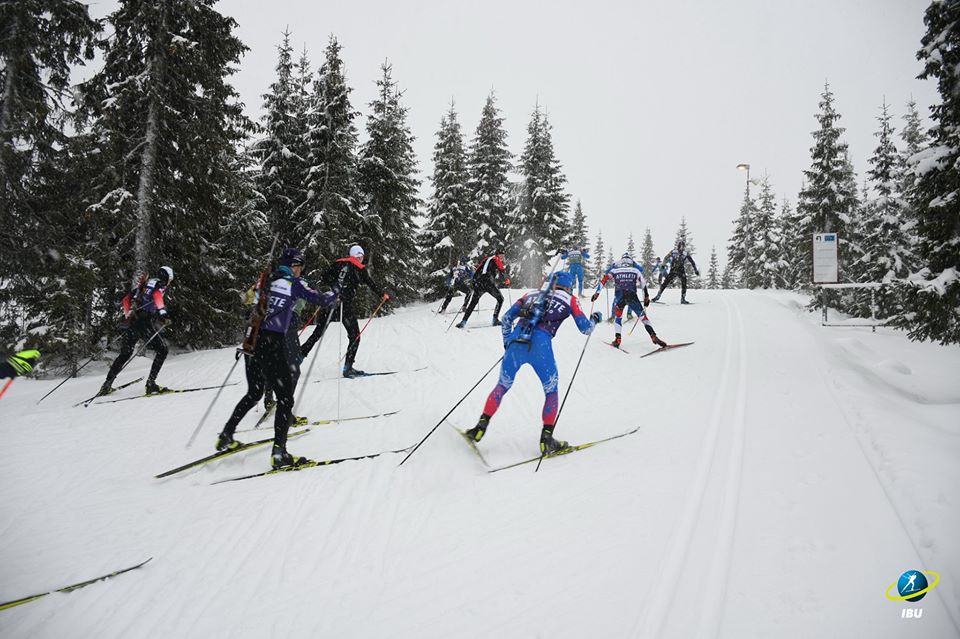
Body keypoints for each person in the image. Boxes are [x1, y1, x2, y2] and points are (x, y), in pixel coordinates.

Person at [216, 248, 338, 469]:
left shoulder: (265, 281)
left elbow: (247, 299)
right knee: (285, 399)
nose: (300, 271)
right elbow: (320, 299)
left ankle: (226, 435)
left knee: (254, 392)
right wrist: (335, 293)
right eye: (299, 267)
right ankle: (279, 453)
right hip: (270, 346)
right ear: (292, 266)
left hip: (250, 343)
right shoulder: (293, 284)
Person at [464, 271, 601, 455]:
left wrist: (508, 342)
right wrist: (595, 319)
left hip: (516, 341)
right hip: (541, 346)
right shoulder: (570, 299)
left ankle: (478, 430)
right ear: (568, 286)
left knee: (502, 386)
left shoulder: (531, 294)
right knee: (551, 391)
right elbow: (585, 328)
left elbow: (506, 319)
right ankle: (547, 441)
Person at [300, 244, 389, 378]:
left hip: (330, 302)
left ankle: (295, 361)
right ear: (358, 256)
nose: (362, 259)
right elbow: (370, 283)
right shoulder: (360, 268)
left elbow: (324, 278)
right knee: (355, 336)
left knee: (317, 333)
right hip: (344, 305)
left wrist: (334, 286)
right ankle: (348, 368)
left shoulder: (338, 263)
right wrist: (382, 294)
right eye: (361, 256)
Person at [99, 266, 174, 396]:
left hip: (132, 322)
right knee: (162, 350)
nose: (169, 283)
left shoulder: (145, 284)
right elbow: (157, 297)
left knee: (125, 354)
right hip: (143, 322)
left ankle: (107, 385)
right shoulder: (159, 286)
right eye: (170, 280)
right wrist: (163, 314)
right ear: (167, 278)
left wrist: (128, 314)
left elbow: (125, 300)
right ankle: (151, 384)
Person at [593, 254, 667, 348]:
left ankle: (617, 339)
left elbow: (604, 280)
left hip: (620, 296)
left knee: (618, 317)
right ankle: (653, 335)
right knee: (644, 318)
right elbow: (643, 283)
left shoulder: (615, 270)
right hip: (632, 296)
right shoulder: (635, 270)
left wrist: (597, 293)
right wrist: (646, 297)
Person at [457, 247, 510, 328]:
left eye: (503, 255)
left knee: (473, 303)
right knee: (500, 299)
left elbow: (478, 269)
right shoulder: (496, 259)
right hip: (488, 283)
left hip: (479, 283)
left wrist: (474, 282)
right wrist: (506, 279)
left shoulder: (486, 259)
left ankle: (463, 322)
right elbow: (501, 269)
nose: (502, 257)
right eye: (501, 255)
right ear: (497, 255)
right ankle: (495, 320)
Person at [652, 240, 700, 304]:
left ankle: (683, 299)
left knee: (684, 283)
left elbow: (692, 261)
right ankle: (657, 296)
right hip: (673, 270)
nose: (681, 248)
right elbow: (666, 257)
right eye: (680, 247)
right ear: (678, 246)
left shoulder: (685, 253)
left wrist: (695, 270)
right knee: (665, 283)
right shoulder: (674, 251)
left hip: (680, 270)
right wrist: (663, 264)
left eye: (682, 247)